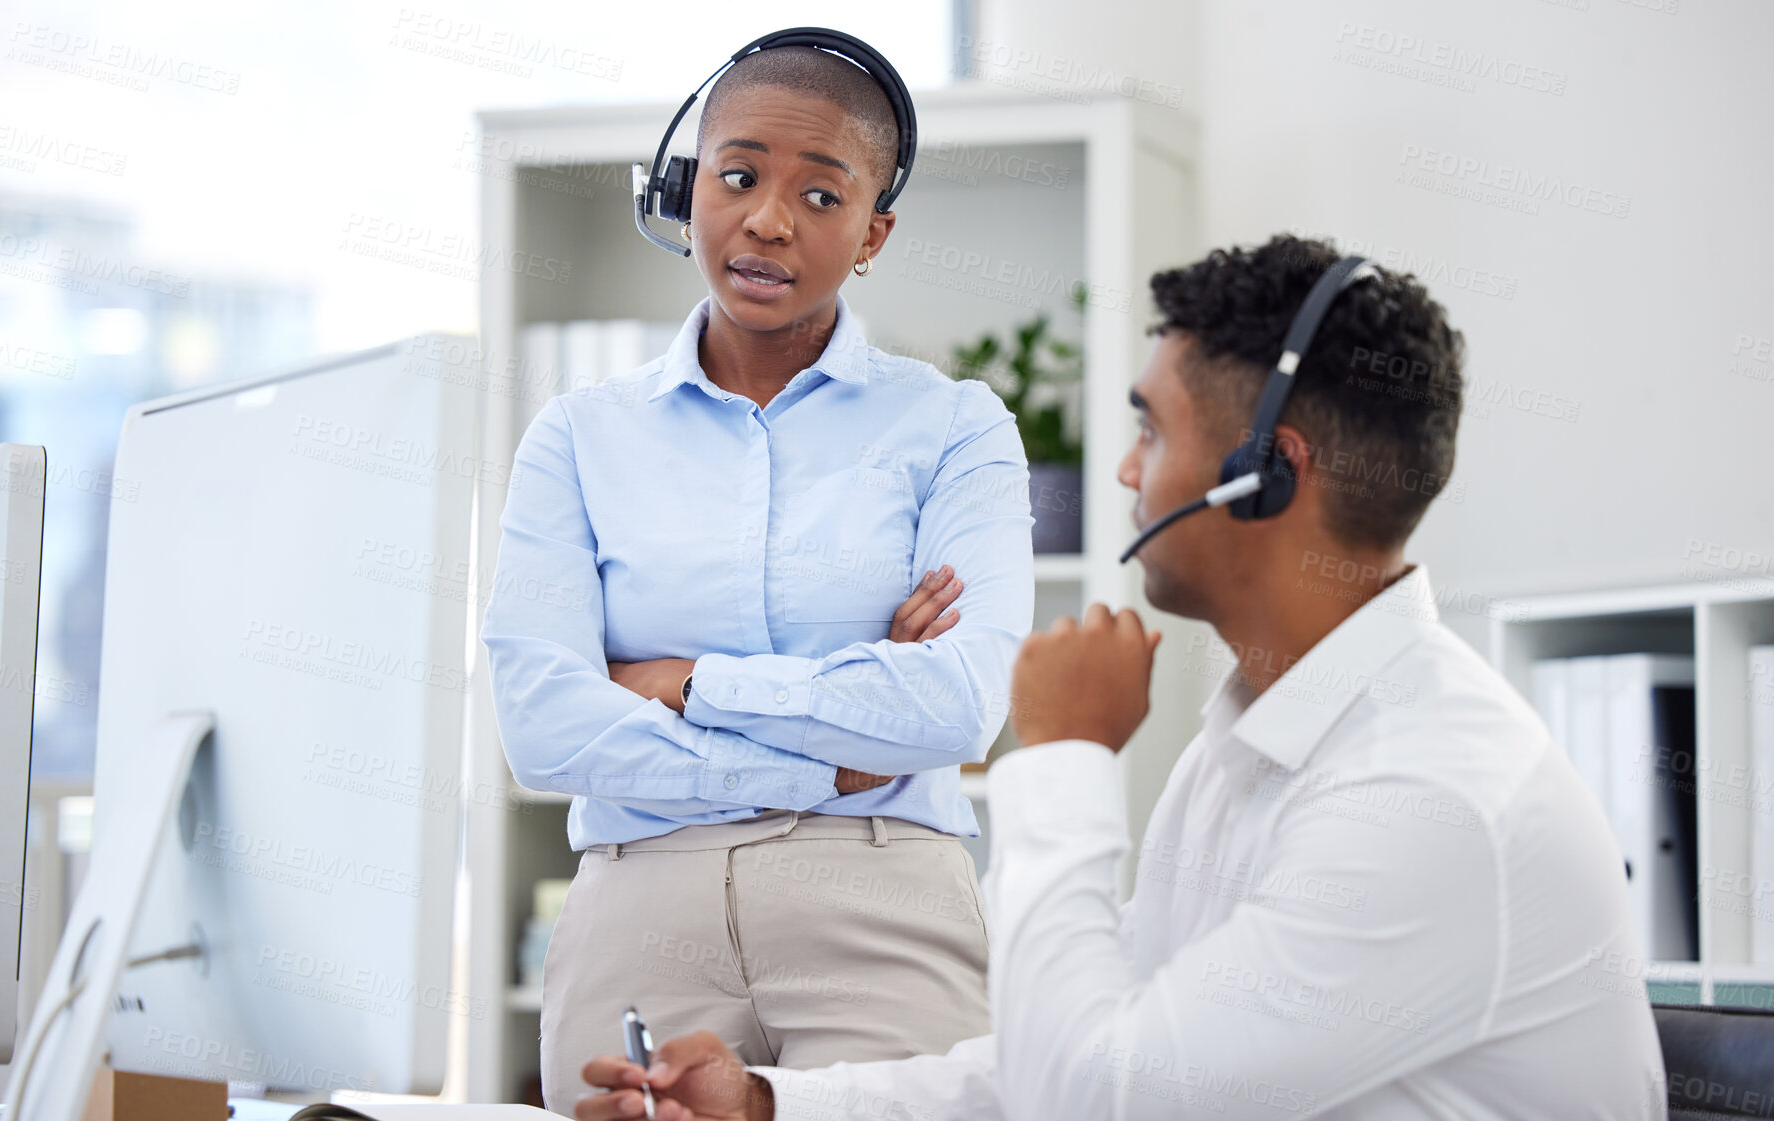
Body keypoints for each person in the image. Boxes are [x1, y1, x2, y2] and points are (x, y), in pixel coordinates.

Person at [570, 235, 1669, 1120]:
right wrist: (771, 1101)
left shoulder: (1425, 796)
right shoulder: (1250, 750)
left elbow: (1096, 1097)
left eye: (1151, 427)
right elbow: (1061, 1049)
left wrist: (1061, 758)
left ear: (1260, 479)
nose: (1128, 471)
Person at [477, 38, 1035, 1113]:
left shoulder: (955, 426)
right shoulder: (578, 435)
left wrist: (679, 678)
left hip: (880, 899)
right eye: (737, 177)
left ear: (873, 231)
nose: (769, 221)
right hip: (642, 907)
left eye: (820, 194)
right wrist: (828, 755)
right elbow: (541, 723)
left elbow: (959, 705)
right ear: (687, 190)